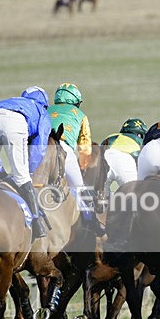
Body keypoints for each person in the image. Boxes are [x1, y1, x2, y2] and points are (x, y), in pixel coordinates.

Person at [0, 86, 53, 239]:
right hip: (14, 123)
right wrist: (30, 170)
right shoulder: (41, 111)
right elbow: (39, 148)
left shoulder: (14, 101)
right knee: (22, 177)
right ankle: (37, 224)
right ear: (44, 103)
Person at [46, 82, 102, 234]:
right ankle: (91, 222)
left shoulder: (46, 110)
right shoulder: (80, 115)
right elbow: (84, 146)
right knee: (80, 188)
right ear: (76, 101)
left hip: (41, 150)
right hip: (63, 149)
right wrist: (83, 166)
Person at [100, 117, 148, 190]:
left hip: (103, 160)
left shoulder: (111, 136)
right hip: (124, 160)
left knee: (100, 193)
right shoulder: (139, 141)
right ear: (139, 135)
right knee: (134, 193)